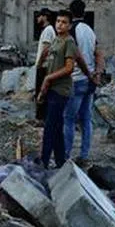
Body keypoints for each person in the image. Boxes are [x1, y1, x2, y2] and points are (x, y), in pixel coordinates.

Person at [63, 0, 104, 163]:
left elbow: (74, 57)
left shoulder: (71, 31)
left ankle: (65, 155)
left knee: (69, 119)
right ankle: (84, 155)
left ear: (70, 13)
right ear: (84, 12)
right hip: (90, 81)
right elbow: (99, 53)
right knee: (86, 119)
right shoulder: (90, 30)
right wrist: (97, 74)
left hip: (76, 80)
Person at [36, 9, 77, 168]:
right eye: (58, 21)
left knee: (50, 127)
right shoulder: (56, 39)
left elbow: (69, 68)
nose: (60, 24)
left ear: (69, 25)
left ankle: (43, 162)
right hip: (51, 88)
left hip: (61, 90)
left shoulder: (69, 42)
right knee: (57, 127)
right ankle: (60, 161)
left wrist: (48, 78)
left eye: (64, 22)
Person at [32, 9, 55, 123]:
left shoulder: (48, 30)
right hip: (46, 66)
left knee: (41, 93)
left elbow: (46, 49)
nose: (37, 19)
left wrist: (39, 64)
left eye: (39, 16)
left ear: (44, 17)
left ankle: (41, 119)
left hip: (44, 67)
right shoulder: (49, 30)